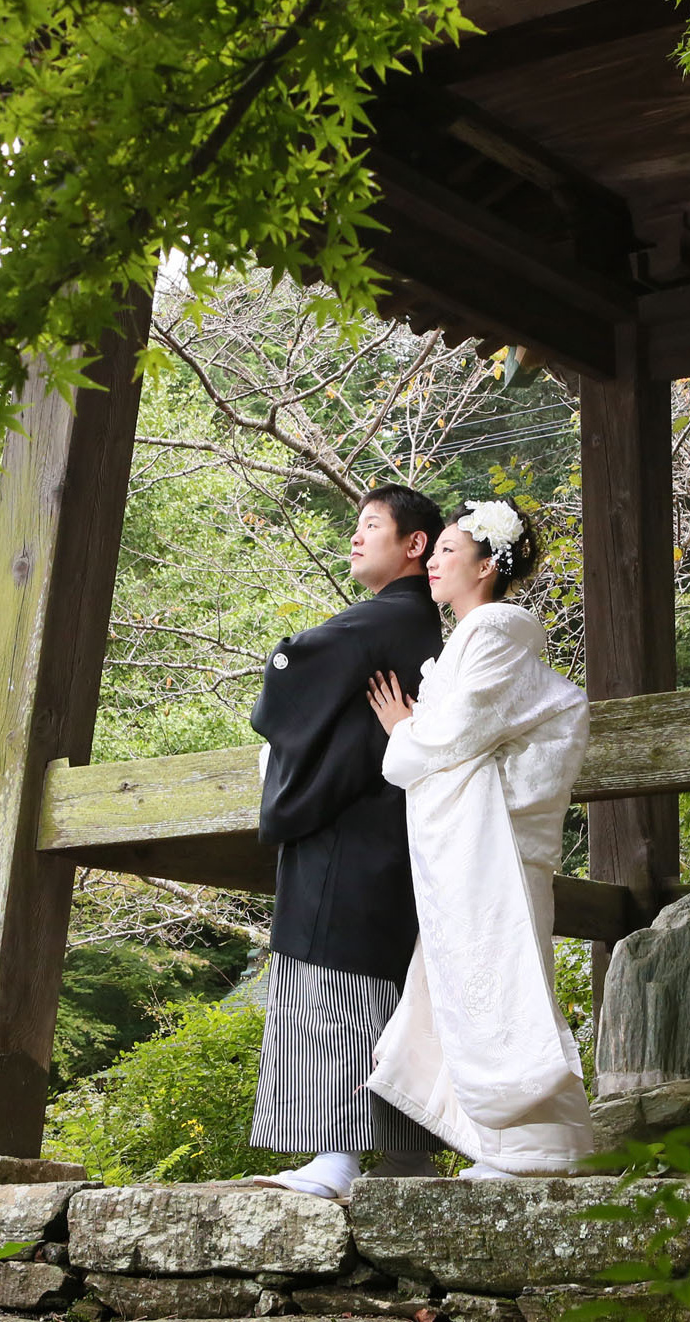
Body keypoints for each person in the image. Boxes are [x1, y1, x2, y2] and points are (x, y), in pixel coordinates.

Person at [361, 499, 594, 1177]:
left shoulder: (497, 629)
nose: (432, 562)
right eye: (431, 552)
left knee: (500, 974)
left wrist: (404, 732)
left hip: (493, 838)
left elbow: (451, 736)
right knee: (471, 980)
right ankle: (524, 1143)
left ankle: (530, 1145)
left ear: (488, 565)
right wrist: (418, 739)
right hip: (471, 840)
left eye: (448, 552)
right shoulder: (472, 638)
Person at [246, 485, 448, 1199]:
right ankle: (406, 1157)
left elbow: (293, 666)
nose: (356, 538)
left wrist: (276, 673)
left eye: (371, 526)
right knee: (389, 989)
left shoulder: (377, 622)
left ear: (414, 544)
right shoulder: (425, 630)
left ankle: (335, 1155)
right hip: (397, 835)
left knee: (329, 985)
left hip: (346, 831)